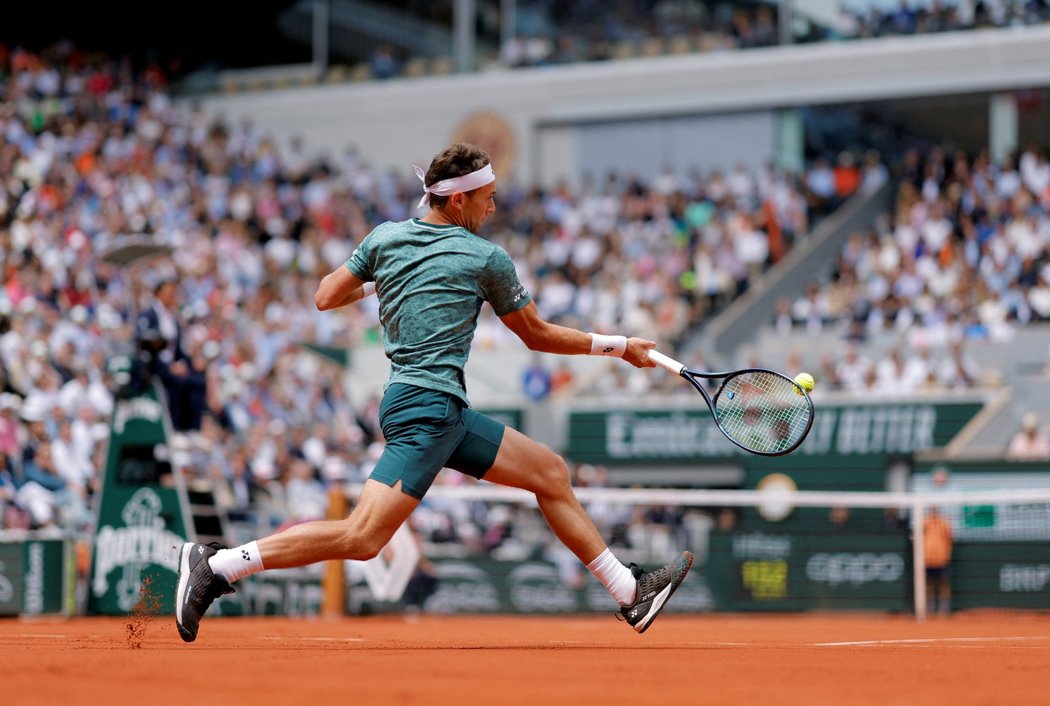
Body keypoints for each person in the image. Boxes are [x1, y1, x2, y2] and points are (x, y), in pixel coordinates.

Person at [175, 143, 693, 642]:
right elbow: (536, 335)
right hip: (428, 410)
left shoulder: (385, 238)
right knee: (362, 538)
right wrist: (619, 345)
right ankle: (218, 566)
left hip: (439, 409)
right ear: (459, 198)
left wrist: (390, 275)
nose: (493, 205)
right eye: (487, 196)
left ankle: (629, 592)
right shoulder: (485, 257)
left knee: (549, 473)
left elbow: (325, 296)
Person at [923, 506, 953, 616]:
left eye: (935, 510)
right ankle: (929, 606)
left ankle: (944, 606)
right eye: (932, 510)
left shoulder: (944, 522)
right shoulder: (925, 522)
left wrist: (946, 554)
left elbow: (950, 538)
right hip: (927, 558)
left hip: (942, 558)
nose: (934, 512)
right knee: (928, 583)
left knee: (944, 583)